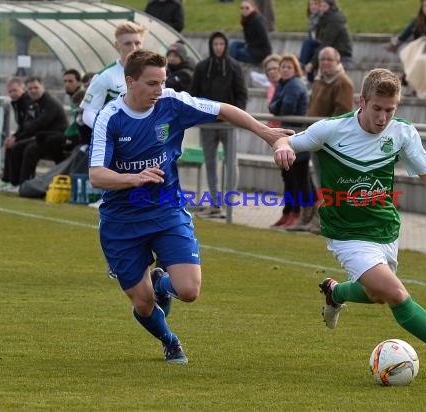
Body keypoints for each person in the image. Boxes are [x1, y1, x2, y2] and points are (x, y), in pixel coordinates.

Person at [88, 49, 294, 364]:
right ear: (129, 81)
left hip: (167, 211)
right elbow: (96, 175)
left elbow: (224, 109)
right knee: (143, 304)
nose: (159, 90)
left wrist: (267, 134)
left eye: (162, 82)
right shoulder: (110, 117)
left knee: (189, 291)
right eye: (152, 83)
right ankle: (169, 340)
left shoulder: (172, 103)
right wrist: (134, 178)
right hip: (122, 222)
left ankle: (162, 281)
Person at [271, 68, 426, 373]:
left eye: (390, 109)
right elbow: (289, 142)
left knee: (377, 296)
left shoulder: (402, 133)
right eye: (377, 109)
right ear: (362, 101)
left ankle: (336, 292)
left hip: (384, 228)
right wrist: (281, 148)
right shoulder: (332, 130)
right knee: (396, 294)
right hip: (346, 234)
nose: (383, 117)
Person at [289, 46, 354, 234]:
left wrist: (323, 132)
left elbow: (342, 114)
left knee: (329, 183)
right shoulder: (320, 80)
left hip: (330, 142)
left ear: (338, 61)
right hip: (317, 140)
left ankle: (325, 220)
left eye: (329, 59)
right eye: (322, 59)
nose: (325, 63)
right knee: (320, 181)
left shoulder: (343, 82)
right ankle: (316, 218)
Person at [191, 32, 248, 218]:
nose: (218, 47)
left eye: (221, 43)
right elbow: (194, 94)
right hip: (208, 123)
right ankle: (215, 204)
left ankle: (228, 203)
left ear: (226, 45)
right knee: (210, 163)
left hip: (229, 124)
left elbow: (242, 94)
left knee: (231, 162)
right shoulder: (202, 67)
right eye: (215, 43)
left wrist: (234, 115)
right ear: (210, 45)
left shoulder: (234, 67)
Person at [268, 53, 311, 229]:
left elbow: (285, 108)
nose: (285, 70)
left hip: (297, 138)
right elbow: (272, 107)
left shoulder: (294, 85)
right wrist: (277, 104)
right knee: (288, 178)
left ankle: (298, 213)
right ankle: (289, 212)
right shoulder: (283, 84)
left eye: (288, 67)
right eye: (283, 67)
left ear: (295, 69)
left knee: (298, 179)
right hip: (289, 138)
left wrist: (277, 104)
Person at [80, 21, 146, 129]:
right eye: (127, 44)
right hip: (119, 141)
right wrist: (108, 131)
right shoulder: (105, 76)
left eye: (137, 43)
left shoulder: (154, 73)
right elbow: (88, 113)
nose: (134, 48)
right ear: (116, 45)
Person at [16, 77, 69, 187]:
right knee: (17, 146)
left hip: (57, 141)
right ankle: (14, 183)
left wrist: (25, 131)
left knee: (30, 150)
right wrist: (16, 137)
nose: (33, 90)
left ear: (43, 87)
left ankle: (25, 184)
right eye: (30, 89)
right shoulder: (32, 103)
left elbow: (39, 123)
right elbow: (27, 125)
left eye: (36, 87)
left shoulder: (50, 102)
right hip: (44, 138)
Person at [0, 77, 31, 192]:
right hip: (26, 133)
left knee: (15, 146)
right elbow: (22, 126)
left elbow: (29, 126)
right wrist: (14, 137)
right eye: (10, 92)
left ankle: (17, 182)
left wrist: (16, 137)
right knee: (10, 144)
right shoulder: (16, 103)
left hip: (34, 135)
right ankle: (7, 180)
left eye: (15, 90)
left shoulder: (27, 102)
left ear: (22, 89)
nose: (12, 94)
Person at [304, 0, 353, 81]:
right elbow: (318, 39)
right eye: (321, 6)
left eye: (324, 6)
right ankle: (306, 73)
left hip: (341, 51)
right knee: (308, 43)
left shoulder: (334, 19)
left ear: (330, 7)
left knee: (315, 53)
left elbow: (326, 42)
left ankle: (308, 77)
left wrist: (312, 63)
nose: (321, 9)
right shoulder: (323, 18)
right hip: (331, 47)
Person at [228, 0, 272, 64]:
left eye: (247, 8)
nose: (244, 10)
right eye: (242, 8)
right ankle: (229, 63)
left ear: (253, 8)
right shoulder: (246, 20)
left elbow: (264, 39)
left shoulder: (257, 20)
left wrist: (248, 46)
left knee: (237, 53)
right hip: (251, 48)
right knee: (232, 43)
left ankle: (229, 65)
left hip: (259, 54)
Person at [298, 0, 321, 81]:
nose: (312, 6)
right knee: (309, 53)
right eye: (310, 4)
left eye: (315, 4)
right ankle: (310, 80)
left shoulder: (323, 18)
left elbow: (322, 39)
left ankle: (301, 68)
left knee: (307, 42)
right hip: (314, 46)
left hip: (323, 45)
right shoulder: (312, 18)